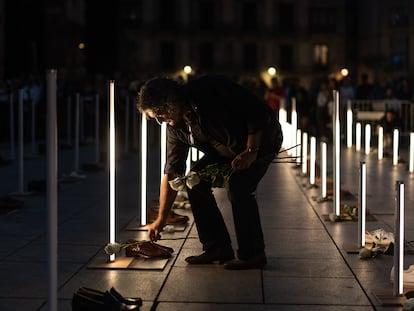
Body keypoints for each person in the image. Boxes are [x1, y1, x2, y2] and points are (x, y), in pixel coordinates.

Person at [136, 74, 283, 270]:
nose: (160, 122)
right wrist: (161, 218)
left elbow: (256, 111)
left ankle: (253, 254)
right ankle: (217, 247)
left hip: (261, 141)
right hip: (225, 151)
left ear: (169, 103)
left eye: (159, 115)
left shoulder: (208, 90)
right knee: (193, 181)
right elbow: (172, 171)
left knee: (239, 186)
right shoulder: (177, 127)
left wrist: (251, 151)